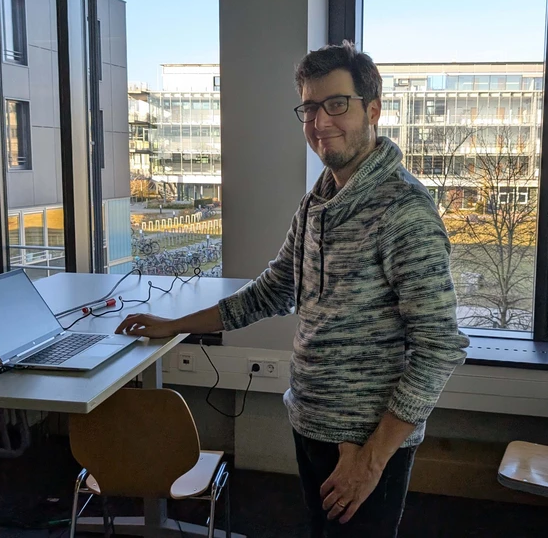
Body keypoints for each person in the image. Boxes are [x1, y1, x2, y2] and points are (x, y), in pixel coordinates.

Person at [116, 41, 468, 538]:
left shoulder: (403, 211)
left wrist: (370, 460)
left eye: (337, 105)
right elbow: (271, 291)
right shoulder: (318, 202)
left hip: (365, 444)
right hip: (311, 422)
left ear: (373, 110)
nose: (321, 122)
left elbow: (438, 347)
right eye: (310, 108)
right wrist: (174, 327)